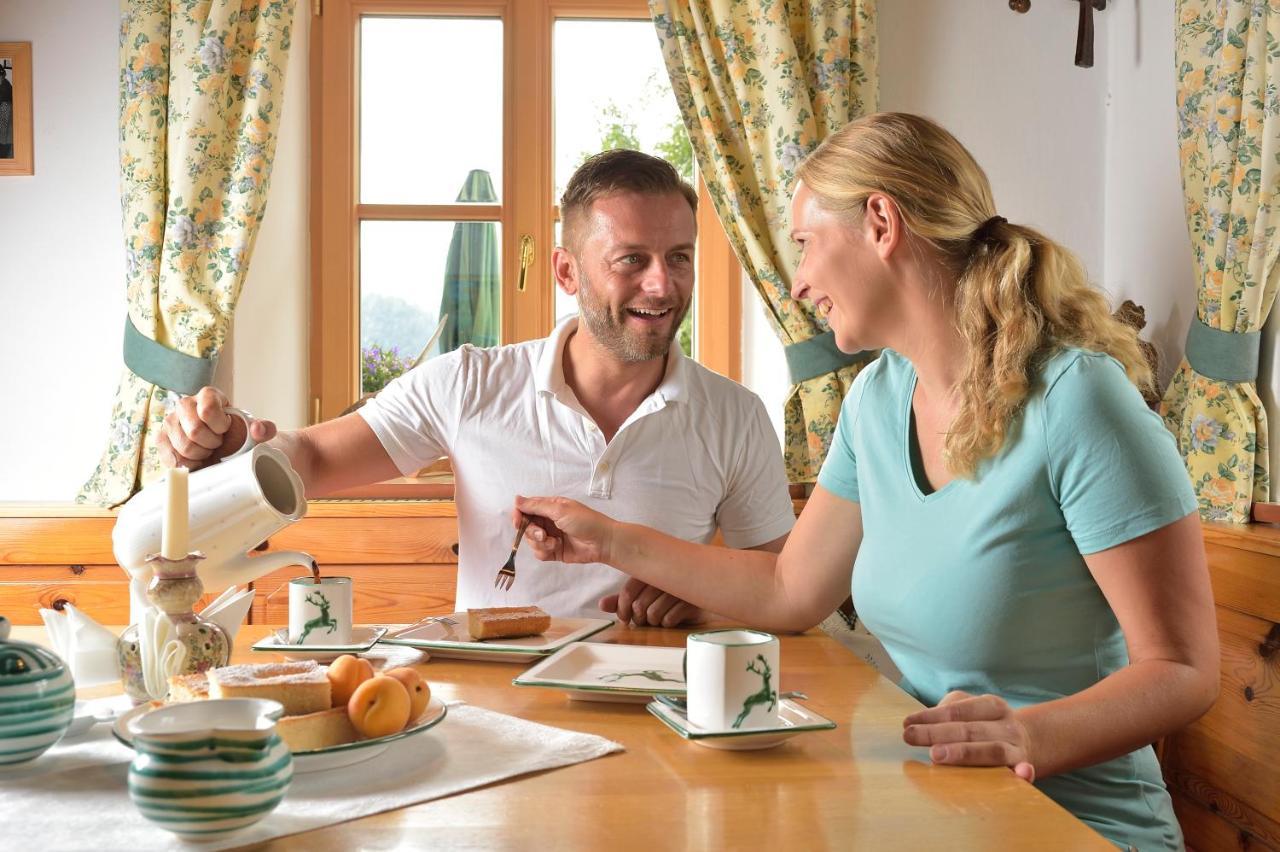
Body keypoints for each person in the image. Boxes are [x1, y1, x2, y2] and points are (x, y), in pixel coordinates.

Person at [514, 114, 1219, 850]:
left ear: (880, 221)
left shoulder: (1079, 400)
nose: (798, 282)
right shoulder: (878, 400)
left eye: (805, 243)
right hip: (931, 811)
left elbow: (1182, 669)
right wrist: (608, 541)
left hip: (1074, 827)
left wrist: (1027, 734)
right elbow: (790, 590)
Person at [159, 149, 795, 623]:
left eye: (679, 257)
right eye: (632, 260)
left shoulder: (736, 416)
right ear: (566, 272)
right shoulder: (467, 382)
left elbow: (781, 586)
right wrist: (234, 441)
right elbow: (313, 459)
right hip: (494, 714)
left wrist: (708, 603)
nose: (663, 285)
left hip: (668, 716)